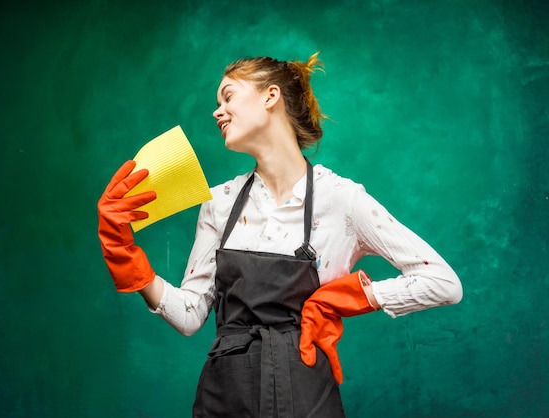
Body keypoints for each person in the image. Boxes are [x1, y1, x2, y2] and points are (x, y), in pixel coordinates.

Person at [97, 52, 463, 417]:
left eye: (228, 96)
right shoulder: (220, 204)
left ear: (270, 96)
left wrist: (351, 298)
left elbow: (443, 281)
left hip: (307, 397)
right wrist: (125, 255)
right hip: (225, 397)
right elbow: (191, 315)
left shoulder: (340, 199)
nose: (217, 111)